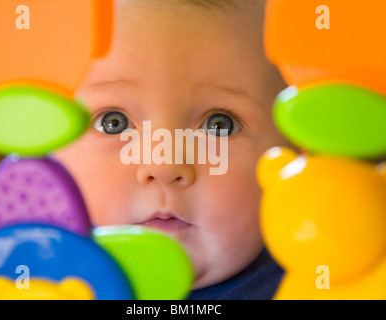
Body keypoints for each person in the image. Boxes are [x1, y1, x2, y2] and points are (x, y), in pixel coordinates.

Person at [54, 0, 291, 299]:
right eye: (113, 123)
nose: (163, 165)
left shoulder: (318, 283)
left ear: (295, 150)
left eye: (220, 125)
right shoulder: (24, 279)